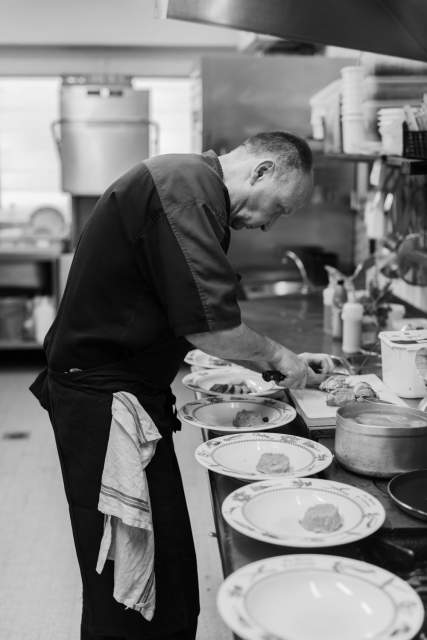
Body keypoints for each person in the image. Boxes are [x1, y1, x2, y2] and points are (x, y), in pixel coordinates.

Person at [30, 131, 334, 640]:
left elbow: (175, 306)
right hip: (105, 408)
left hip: (124, 395)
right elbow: (209, 325)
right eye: (278, 208)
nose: (266, 225)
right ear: (260, 171)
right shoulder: (185, 189)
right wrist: (277, 355)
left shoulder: (194, 188)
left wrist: (268, 359)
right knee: (131, 568)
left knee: (164, 562)